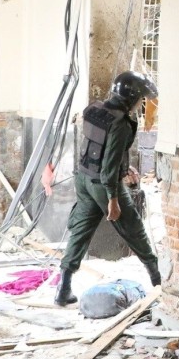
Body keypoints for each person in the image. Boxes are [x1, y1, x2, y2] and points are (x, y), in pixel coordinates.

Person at [55, 71, 162, 306]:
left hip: (83, 179)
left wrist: (125, 165)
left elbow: (100, 149)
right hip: (104, 184)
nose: (140, 103)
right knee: (133, 227)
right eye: (140, 98)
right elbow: (110, 164)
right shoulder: (121, 123)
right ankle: (158, 280)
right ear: (131, 97)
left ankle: (63, 288)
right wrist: (113, 198)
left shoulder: (96, 110)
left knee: (80, 232)